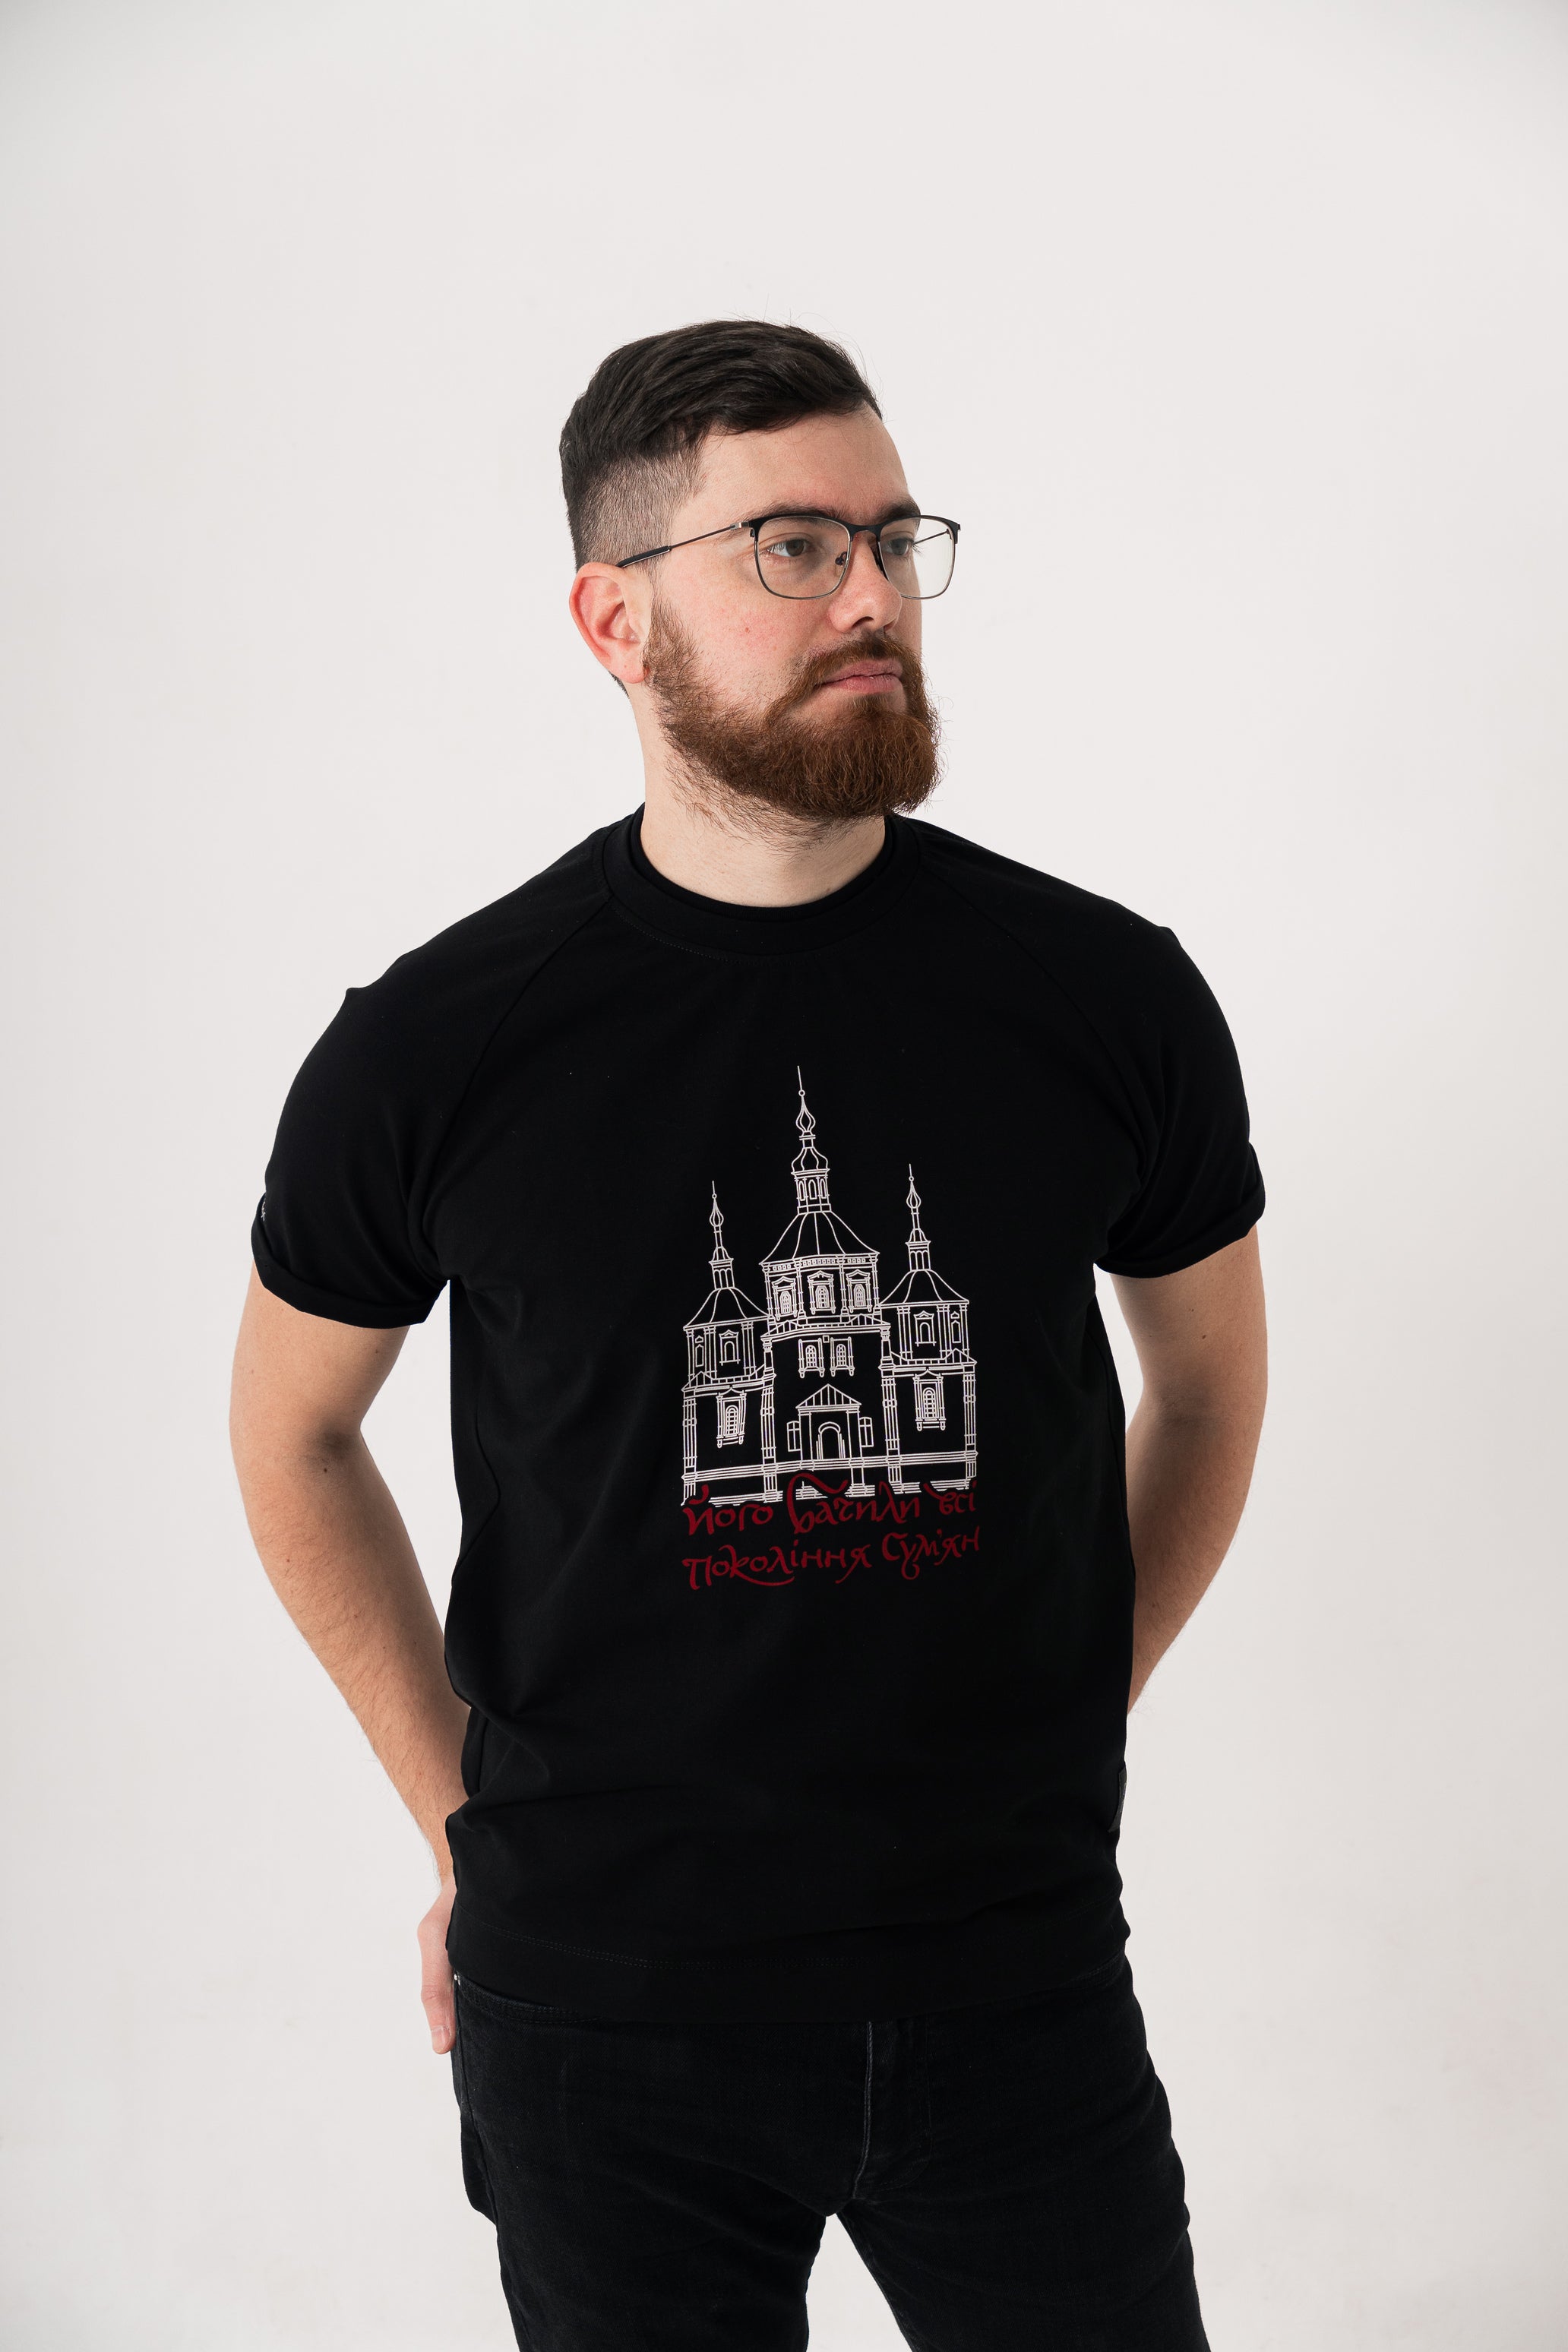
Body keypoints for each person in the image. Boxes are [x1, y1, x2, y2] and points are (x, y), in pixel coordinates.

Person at [229, 319, 1268, 2352]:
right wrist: (463, 1819)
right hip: (603, 2021)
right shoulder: (440, 1050)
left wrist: (1072, 1701)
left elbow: (1211, 1384)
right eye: (793, 545)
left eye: (893, 536)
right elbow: (291, 1433)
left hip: (1017, 1983)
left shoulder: (1101, 999)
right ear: (614, 620)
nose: (871, 594)